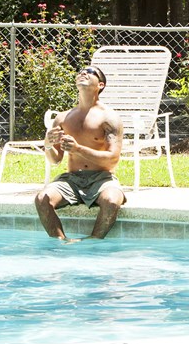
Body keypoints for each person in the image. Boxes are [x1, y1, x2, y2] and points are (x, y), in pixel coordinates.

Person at [34, 65, 126, 240]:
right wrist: (47, 144)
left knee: (112, 201)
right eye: (81, 72)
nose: (84, 73)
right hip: (72, 180)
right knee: (42, 199)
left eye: (91, 72)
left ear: (100, 85)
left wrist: (78, 149)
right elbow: (55, 160)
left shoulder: (109, 118)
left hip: (102, 178)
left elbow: (112, 160)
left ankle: (93, 241)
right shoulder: (62, 118)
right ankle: (61, 242)